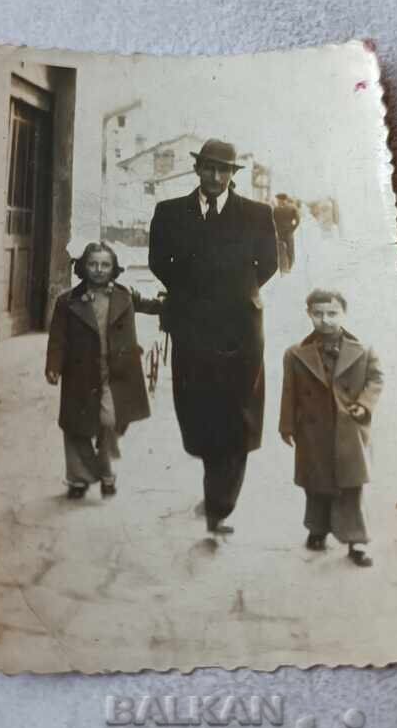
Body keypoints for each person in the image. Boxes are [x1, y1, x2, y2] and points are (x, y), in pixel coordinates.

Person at [149, 139, 278, 534]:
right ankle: (214, 488)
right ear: (197, 169)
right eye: (209, 168)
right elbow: (159, 262)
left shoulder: (256, 214)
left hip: (240, 330)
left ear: (233, 174)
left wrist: (234, 294)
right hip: (191, 327)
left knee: (238, 411)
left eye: (224, 170)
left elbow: (268, 264)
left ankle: (220, 505)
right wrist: (193, 295)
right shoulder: (170, 212)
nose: (216, 176)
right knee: (199, 408)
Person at [45, 242, 161, 499]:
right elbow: (57, 339)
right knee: (75, 426)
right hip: (80, 373)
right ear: (83, 267)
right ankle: (82, 478)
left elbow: (151, 306)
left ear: (114, 268)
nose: (99, 269)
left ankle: (102, 467)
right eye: (93, 264)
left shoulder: (124, 295)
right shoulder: (67, 301)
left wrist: (175, 302)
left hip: (116, 372)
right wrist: (53, 366)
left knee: (109, 421)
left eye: (105, 265)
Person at [279, 288, 384, 566]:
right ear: (309, 314)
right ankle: (317, 529)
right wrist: (286, 425)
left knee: (351, 485)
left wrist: (364, 404)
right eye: (318, 314)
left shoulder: (363, 350)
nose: (325, 320)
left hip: (348, 428)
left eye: (332, 313)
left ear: (344, 313)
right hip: (313, 431)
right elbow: (289, 392)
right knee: (316, 483)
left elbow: (376, 379)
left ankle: (356, 540)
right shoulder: (295, 354)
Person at [272, 193, 301, 273]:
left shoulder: (277, 209)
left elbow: (274, 221)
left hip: (282, 232)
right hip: (287, 232)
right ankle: (288, 267)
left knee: (283, 250)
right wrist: (292, 229)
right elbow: (297, 220)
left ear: (282, 200)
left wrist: (277, 230)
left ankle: (285, 268)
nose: (278, 201)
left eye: (278, 200)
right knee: (289, 250)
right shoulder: (291, 208)